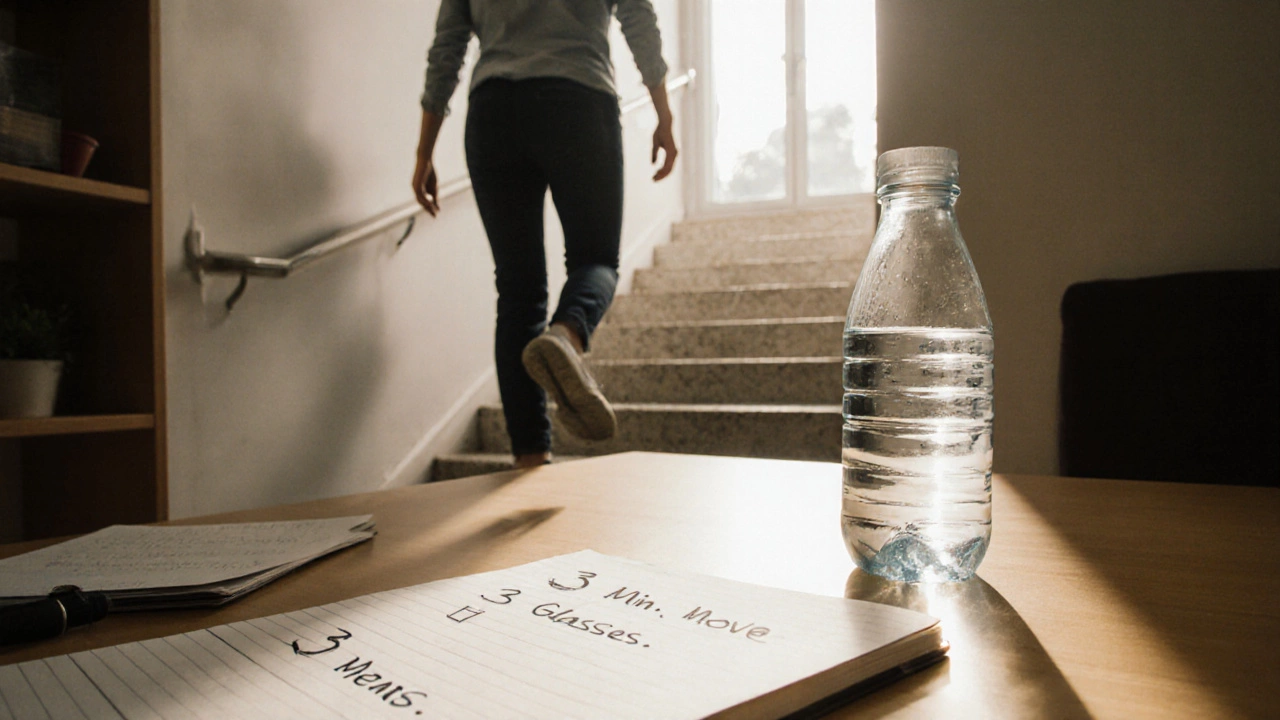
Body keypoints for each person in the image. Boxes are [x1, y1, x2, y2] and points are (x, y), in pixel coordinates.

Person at [413, 1, 677, 469]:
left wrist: (424, 151)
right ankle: (567, 335)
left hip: (493, 114)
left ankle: (530, 459)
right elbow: (638, 16)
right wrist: (663, 113)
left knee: (518, 291)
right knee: (596, 262)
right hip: (578, 102)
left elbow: (447, 49)